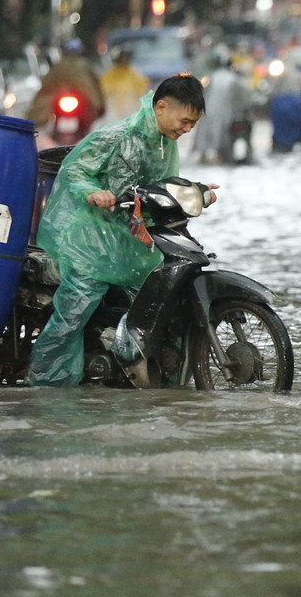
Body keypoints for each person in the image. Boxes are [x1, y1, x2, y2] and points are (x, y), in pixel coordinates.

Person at [27, 75, 207, 387]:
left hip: (129, 238)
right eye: (185, 121)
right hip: (90, 239)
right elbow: (74, 170)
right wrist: (93, 192)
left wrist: (197, 192)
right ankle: (47, 384)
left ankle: (154, 375)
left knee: (165, 298)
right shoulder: (117, 136)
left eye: (193, 124)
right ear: (161, 107)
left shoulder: (165, 143)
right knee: (75, 311)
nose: (187, 129)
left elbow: (160, 189)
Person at [27, 39, 106, 134]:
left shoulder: (82, 67)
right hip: (57, 107)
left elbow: (95, 91)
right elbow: (45, 90)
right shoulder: (60, 68)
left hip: (82, 108)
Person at [195, 50, 253, 164]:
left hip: (207, 110)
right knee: (221, 137)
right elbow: (245, 98)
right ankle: (219, 158)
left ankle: (203, 157)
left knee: (204, 135)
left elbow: (203, 92)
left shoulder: (212, 76)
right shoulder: (234, 79)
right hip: (225, 112)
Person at [99, 47, 150, 120]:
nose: (125, 61)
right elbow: (104, 90)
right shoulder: (109, 74)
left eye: (127, 58)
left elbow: (142, 90)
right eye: (122, 58)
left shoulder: (135, 74)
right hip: (114, 110)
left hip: (130, 109)